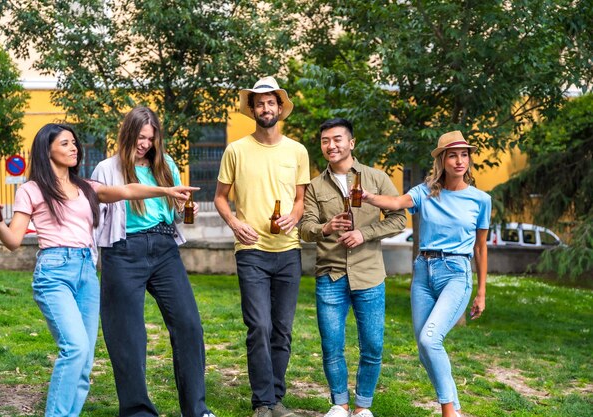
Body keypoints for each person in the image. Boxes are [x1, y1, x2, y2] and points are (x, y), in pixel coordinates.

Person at [0, 123, 195, 417]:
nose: (74, 149)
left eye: (74, 144)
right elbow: (13, 241)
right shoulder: (31, 190)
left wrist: (165, 189)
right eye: (66, 144)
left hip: (86, 271)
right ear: (47, 150)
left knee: (84, 359)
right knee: (75, 348)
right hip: (54, 272)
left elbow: (127, 190)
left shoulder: (85, 187)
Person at [91, 107, 214, 417]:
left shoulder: (166, 164)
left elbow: (172, 210)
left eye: (150, 138)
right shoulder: (107, 168)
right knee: (128, 335)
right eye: (140, 137)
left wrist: (184, 210)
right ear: (127, 134)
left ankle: (197, 410)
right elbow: (99, 213)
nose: (145, 144)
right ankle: (137, 412)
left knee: (188, 325)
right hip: (123, 250)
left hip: (163, 249)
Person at [361, 130, 490, 417]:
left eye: (464, 154)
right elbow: (395, 204)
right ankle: (455, 408)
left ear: (469, 159)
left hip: (457, 273)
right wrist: (368, 197)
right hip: (423, 272)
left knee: (431, 340)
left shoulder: (481, 200)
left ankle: (447, 411)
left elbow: (481, 249)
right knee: (424, 348)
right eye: (453, 155)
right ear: (442, 160)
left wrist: (481, 292)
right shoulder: (425, 191)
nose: (459, 161)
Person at [214, 76, 310, 417]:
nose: (266, 108)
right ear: (252, 109)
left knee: (282, 329)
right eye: (260, 103)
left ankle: (276, 398)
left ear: (280, 108)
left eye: (271, 102)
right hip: (251, 251)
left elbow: (300, 200)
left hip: (288, 251)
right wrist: (235, 223)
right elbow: (220, 198)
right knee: (259, 327)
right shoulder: (235, 150)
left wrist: (294, 218)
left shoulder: (297, 151)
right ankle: (262, 402)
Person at [299, 118, 406, 417]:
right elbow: (304, 228)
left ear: (351, 143)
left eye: (337, 139)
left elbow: (399, 218)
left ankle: (362, 408)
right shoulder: (315, 186)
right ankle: (339, 404)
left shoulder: (376, 178)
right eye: (325, 141)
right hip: (330, 276)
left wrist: (365, 233)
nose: (331, 146)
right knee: (332, 346)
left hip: (370, 275)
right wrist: (326, 227)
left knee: (372, 346)